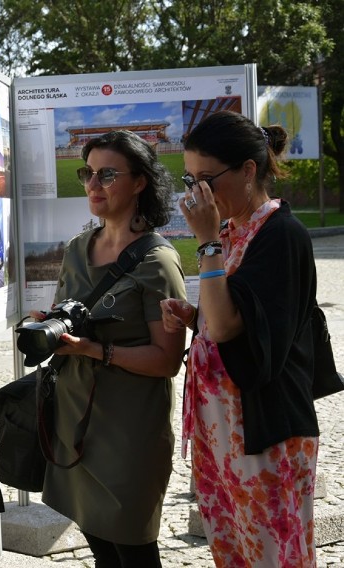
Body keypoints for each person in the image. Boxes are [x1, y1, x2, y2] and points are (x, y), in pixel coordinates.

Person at [160, 110, 319, 566]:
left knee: (275, 556)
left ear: (248, 170)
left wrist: (207, 242)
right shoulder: (232, 232)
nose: (198, 194)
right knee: (233, 553)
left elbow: (232, 328)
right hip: (222, 429)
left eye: (207, 179)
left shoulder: (281, 234)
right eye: (190, 181)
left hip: (264, 430)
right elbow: (233, 317)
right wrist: (195, 318)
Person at [38, 130, 187, 567]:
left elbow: (166, 361)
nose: (92, 185)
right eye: (88, 173)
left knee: (135, 551)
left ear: (139, 182)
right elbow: (63, 314)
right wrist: (44, 325)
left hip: (130, 432)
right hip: (75, 420)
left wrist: (93, 350)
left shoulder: (158, 262)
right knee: (102, 548)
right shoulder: (76, 250)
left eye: (107, 174)